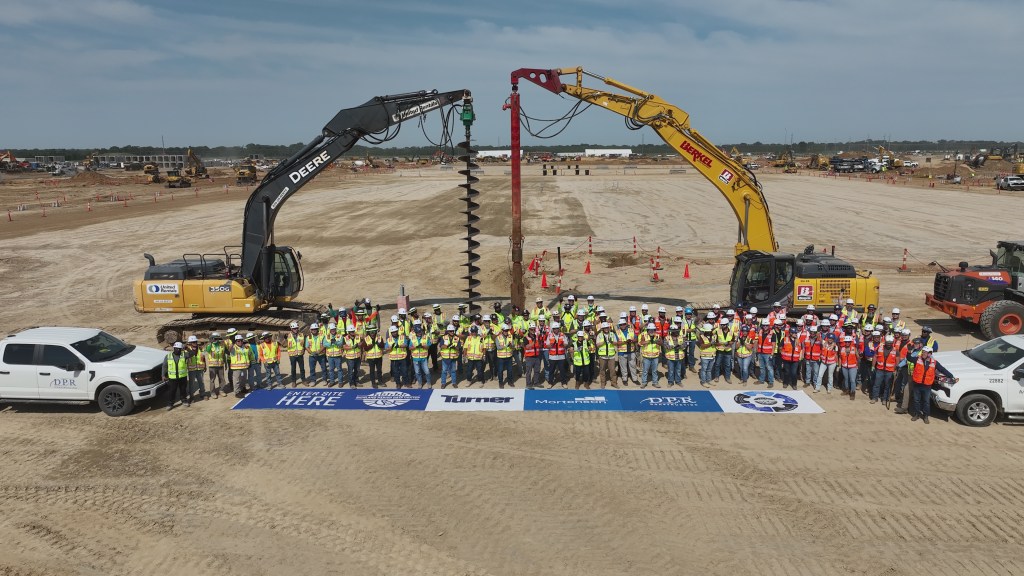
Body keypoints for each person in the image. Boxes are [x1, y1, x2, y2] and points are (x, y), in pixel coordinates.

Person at [910, 346, 957, 423]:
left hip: (927, 386)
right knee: (916, 400)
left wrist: (951, 376)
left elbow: (942, 369)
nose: (923, 353)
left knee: (926, 401)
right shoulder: (918, 359)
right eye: (923, 352)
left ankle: (925, 416)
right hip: (917, 384)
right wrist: (909, 351)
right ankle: (917, 414)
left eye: (925, 352)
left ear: (929, 354)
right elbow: (909, 358)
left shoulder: (934, 362)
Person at [871, 335, 898, 404]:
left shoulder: (895, 350)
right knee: (876, 384)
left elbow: (897, 361)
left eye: (890, 343)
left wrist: (895, 369)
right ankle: (874, 398)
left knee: (887, 386)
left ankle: (884, 399)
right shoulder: (879, 348)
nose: (889, 344)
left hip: (889, 371)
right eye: (888, 343)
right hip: (879, 369)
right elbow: (875, 357)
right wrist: (873, 366)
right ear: (885, 342)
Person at [164, 341, 190, 410]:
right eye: (176, 348)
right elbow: (164, 366)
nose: (178, 350)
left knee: (183, 390)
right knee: (172, 391)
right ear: (174, 348)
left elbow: (193, 353)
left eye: (179, 348)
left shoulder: (184, 354)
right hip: (172, 378)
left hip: (182, 377)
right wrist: (163, 375)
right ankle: (170, 404)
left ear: (181, 349)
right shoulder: (168, 356)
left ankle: (184, 400)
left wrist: (187, 348)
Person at [594, 321, 619, 389]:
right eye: (604, 328)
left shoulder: (612, 334)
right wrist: (603, 342)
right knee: (602, 370)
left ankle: (614, 383)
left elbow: (616, 343)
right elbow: (597, 345)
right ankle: (603, 383)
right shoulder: (599, 335)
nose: (606, 329)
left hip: (611, 356)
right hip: (602, 356)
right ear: (602, 328)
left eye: (607, 327)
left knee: (612, 370)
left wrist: (611, 341)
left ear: (609, 327)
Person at [616, 316, 639, 387]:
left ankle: (635, 379)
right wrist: (625, 342)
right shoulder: (617, 332)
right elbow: (616, 343)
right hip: (622, 352)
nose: (622, 326)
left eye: (623, 324)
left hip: (631, 351)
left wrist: (632, 340)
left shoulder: (631, 330)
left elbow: (636, 339)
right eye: (621, 324)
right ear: (619, 325)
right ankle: (624, 379)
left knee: (633, 366)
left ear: (626, 324)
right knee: (623, 367)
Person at [546, 322, 569, 388]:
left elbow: (566, 344)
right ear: (553, 329)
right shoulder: (550, 335)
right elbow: (547, 346)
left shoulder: (562, 335)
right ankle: (550, 383)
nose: (556, 330)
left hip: (561, 356)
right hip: (552, 357)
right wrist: (551, 344)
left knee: (562, 370)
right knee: (551, 371)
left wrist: (562, 344)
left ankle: (564, 383)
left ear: (559, 329)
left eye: (557, 328)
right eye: (555, 329)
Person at [639, 323, 662, 388]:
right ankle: (644, 382)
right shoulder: (644, 335)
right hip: (646, 356)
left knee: (654, 371)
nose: (651, 331)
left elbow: (662, 344)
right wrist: (648, 341)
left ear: (655, 330)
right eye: (650, 330)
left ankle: (655, 382)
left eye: (653, 330)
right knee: (645, 370)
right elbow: (640, 343)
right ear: (648, 330)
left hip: (655, 356)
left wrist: (657, 342)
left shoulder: (657, 336)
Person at [522, 322, 544, 389]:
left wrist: (540, 341)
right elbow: (527, 347)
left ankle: (536, 383)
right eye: (531, 329)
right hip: (529, 357)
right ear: (529, 330)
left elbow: (539, 345)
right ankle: (528, 384)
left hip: (536, 356)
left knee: (537, 370)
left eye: (534, 329)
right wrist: (533, 342)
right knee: (529, 371)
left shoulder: (536, 337)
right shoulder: (526, 338)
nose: (533, 331)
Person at [438, 324, 461, 389]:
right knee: (444, 371)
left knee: (453, 371)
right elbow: (441, 346)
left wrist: (454, 347)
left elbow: (458, 347)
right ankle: (443, 383)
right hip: (445, 358)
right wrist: (447, 346)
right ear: (448, 331)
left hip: (453, 358)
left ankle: (454, 383)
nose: (452, 332)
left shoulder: (457, 338)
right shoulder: (444, 337)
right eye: (451, 331)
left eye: (453, 331)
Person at [204, 332, 226, 398]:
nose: (216, 339)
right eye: (215, 338)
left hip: (220, 365)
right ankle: (212, 392)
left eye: (218, 338)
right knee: (212, 380)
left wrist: (225, 363)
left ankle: (221, 390)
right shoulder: (209, 345)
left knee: (222, 379)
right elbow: (207, 351)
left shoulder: (221, 345)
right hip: (212, 366)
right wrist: (211, 342)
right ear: (212, 338)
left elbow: (223, 354)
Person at [185, 335, 206, 402]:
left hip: (200, 369)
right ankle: (192, 396)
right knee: (191, 384)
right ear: (190, 343)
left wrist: (205, 365)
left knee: (201, 382)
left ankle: (203, 394)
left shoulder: (200, 349)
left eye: (195, 341)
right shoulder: (187, 350)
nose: (195, 343)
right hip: (192, 370)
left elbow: (203, 357)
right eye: (193, 342)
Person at [285, 321, 306, 386]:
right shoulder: (287, 336)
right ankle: (293, 381)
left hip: (300, 354)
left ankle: (303, 380)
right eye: (294, 328)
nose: (296, 329)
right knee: (293, 369)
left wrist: (303, 351)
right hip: (292, 355)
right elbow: (284, 344)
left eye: (297, 328)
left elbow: (304, 344)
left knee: (302, 368)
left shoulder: (301, 335)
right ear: (291, 329)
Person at [756, 319, 776, 388]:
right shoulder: (760, 332)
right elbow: (758, 342)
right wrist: (757, 352)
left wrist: (772, 354)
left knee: (769, 368)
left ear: (769, 326)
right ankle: (761, 380)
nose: (765, 327)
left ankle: (771, 382)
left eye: (766, 325)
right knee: (761, 367)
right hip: (760, 353)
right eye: (763, 325)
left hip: (768, 354)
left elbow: (774, 345)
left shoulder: (772, 334)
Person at [838, 335, 859, 400]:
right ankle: (847, 390)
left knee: (852, 380)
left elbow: (858, 357)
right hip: (844, 367)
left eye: (848, 342)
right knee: (846, 379)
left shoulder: (854, 348)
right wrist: (839, 366)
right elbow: (840, 358)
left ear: (850, 342)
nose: (847, 343)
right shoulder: (842, 349)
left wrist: (857, 365)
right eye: (846, 342)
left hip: (852, 367)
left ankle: (852, 393)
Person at [495, 324, 515, 388]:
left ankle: (510, 382)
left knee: (510, 370)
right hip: (500, 357)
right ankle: (501, 383)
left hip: (509, 356)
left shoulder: (510, 336)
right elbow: (498, 347)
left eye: (507, 330)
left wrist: (511, 345)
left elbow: (513, 346)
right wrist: (506, 346)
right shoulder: (498, 337)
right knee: (500, 370)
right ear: (502, 330)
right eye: (505, 330)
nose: (506, 332)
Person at [697, 323, 717, 387]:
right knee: (704, 370)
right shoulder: (701, 337)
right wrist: (710, 344)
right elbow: (702, 346)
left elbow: (717, 344)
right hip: (704, 357)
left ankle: (709, 380)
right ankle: (703, 382)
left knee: (709, 370)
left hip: (712, 356)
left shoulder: (714, 336)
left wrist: (716, 343)